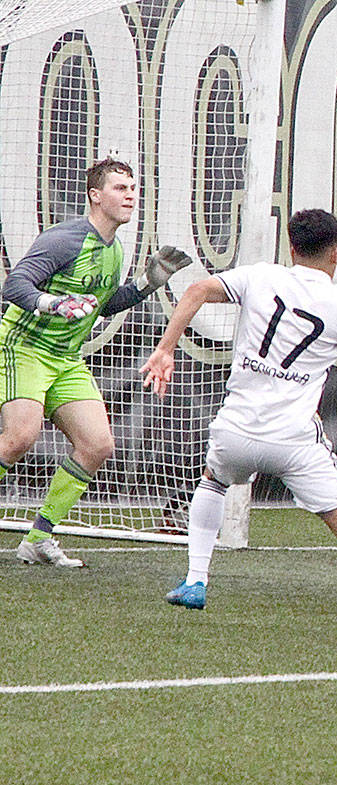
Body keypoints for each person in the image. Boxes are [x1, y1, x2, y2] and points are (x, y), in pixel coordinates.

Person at [140, 208, 337, 652]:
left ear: (292, 247)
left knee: (214, 480)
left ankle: (195, 580)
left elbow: (196, 290)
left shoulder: (261, 277)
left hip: (236, 430)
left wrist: (166, 350)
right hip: (294, 440)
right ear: (336, 253)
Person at [1, 158, 192, 567]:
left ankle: (38, 539)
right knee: (20, 438)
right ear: (95, 195)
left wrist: (146, 283)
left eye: (133, 188)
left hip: (65, 360)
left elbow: (106, 304)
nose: (130, 195)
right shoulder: (65, 239)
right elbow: (15, 284)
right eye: (120, 188)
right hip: (25, 347)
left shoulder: (114, 248)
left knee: (97, 445)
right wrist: (52, 302)